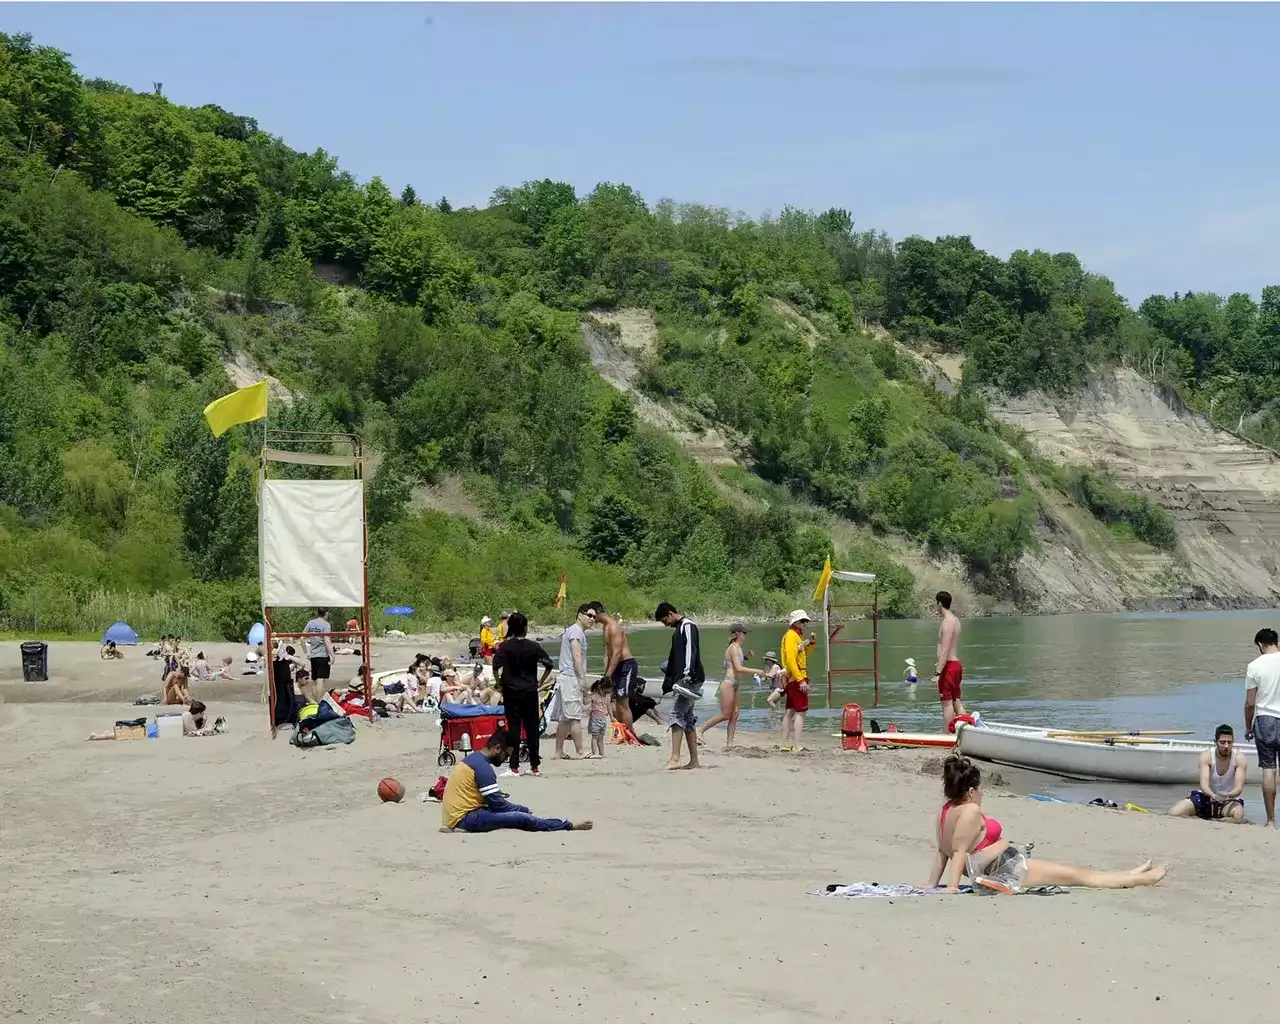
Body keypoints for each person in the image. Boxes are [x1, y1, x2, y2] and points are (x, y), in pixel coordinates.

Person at [928, 754, 1167, 892]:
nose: (982, 794)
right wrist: (952, 887)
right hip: (1005, 872)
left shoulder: (947, 810)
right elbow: (957, 852)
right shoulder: (970, 810)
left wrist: (930, 885)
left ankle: (1129, 874)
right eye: (980, 790)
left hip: (1006, 866)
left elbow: (943, 852)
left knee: (1078, 873)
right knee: (1080, 876)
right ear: (971, 791)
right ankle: (1143, 879)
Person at [441, 732, 594, 834]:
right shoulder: (483, 768)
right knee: (522, 818)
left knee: (517, 814)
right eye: (505, 754)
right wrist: (522, 809)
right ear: (497, 749)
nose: (506, 759)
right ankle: (568, 825)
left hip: (457, 816)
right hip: (465, 819)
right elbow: (497, 804)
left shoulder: (474, 760)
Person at [492, 611, 555, 778]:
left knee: (513, 728)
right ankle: (534, 766)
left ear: (511, 628)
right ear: (525, 628)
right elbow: (549, 664)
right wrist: (540, 683)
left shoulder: (505, 646)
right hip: (529, 691)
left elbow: (495, 666)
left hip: (511, 691)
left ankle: (514, 767)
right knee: (532, 729)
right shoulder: (533, 646)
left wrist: (499, 683)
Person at [657, 601, 703, 770]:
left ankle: (675, 758)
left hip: (691, 678)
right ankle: (694, 761)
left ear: (670, 614)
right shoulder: (679, 628)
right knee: (688, 718)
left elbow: (691, 649)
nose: (665, 624)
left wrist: (687, 674)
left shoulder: (688, 626)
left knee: (676, 714)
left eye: (664, 621)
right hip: (686, 677)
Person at [1168, 724, 1247, 823]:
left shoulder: (1239, 758)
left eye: (1229, 742)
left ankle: (1221, 819)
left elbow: (1238, 788)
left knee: (1238, 815)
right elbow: (1204, 785)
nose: (1226, 746)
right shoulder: (1206, 756)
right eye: (1222, 742)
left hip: (1228, 800)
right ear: (1215, 742)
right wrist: (1213, 795)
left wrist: (1227, 796)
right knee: (1174, 813)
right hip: (1207, 797)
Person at [1245, 627, 1280, 827]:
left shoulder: (1254, 666)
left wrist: (1248, 727)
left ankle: (1270, 820)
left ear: (1259, 644)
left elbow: (1250, 703)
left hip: (1265, 719)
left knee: (1269, 769)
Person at [699, 622, 751, 748]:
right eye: (744, 633)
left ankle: (730, 744)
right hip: (729, 682)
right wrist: (759, 672)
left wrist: (746, 656)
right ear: (737, 633)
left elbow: (734, 662)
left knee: (735, 713)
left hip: (736, 683)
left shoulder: (738, 648)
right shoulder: (733, 647)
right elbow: (738, 668)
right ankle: (700, 730)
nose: (746, 635)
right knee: (726, 714)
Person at [594, 603, 640, 742]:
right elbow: (607, 654)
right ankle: (622, 732)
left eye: (592, 614)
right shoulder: (605, 628)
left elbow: (617, 652)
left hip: (626, 665)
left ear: (598, 611)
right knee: (613, 703)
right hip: (615, 667)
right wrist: (606, 674)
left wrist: (608, 675)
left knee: (623, 703)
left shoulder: (613, 626)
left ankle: (630, 736)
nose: (591, 618)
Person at [551, 604, 592, 759]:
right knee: (574, 716)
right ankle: (581, 750)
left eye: (594, 617)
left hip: (565, 678)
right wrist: (583, 680)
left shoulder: (574, 631)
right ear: (580, 615)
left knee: (564, 717)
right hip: (570, 678)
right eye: (589, 615)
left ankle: (558, 751)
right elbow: (576, 656)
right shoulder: (576, 631)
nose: (592, 619)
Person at [780, 609, 817, 752]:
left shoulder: (795, 636)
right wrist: (801, 680)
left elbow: (803, 654)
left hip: (793, 677)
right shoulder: (791, 636)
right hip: (796, 678)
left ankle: (785, 744)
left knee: (790, 711)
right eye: (802, 621)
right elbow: (790, 660)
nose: (805, 624)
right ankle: (796, 745)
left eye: (806, 622)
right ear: (795, 622)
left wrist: (811, 644)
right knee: (801, 711)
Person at [934, 591, 966, 732]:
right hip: (955, 665)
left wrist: (937, 672)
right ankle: (966, 729)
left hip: (949, 666)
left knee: (946, 704)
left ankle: (947, 735)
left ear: (939, 603)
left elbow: (945, 649)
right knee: (956, 701)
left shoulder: (948, 622)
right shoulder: (955, 620)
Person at [304, 608, 335, 685]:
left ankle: (316, 696)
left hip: (313, 655)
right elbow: (327, 640)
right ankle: (319, 697)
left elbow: (301, 638)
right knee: (321, 679)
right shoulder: (326, 624)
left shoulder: (311, 623)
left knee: (315, 680)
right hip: (323, 655)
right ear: (326, 614)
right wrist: (333, 655)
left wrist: (306, 652)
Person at [587, 678, 612, 758]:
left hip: (603, 720)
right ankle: (594, 753)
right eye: (605, 691)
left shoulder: (607, 697)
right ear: (599, 687)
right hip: (595, 719)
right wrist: (586, 694)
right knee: (594, 737)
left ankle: (601, 753)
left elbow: (609, 706)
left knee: (601, 737)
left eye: (608, 692)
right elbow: (585, 702)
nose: (606, 693)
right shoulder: (594, 696)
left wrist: (612, 716)